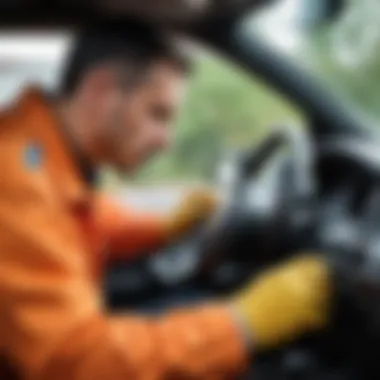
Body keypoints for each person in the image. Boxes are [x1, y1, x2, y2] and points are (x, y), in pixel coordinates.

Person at [0, 21, 333, 380]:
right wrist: (242, 325)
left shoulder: (44, 155)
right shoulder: (17, 182)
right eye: (157, 114)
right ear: (101, 91)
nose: (165, 141)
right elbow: (77, 362)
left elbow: (86, 220)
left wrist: (164, 226)